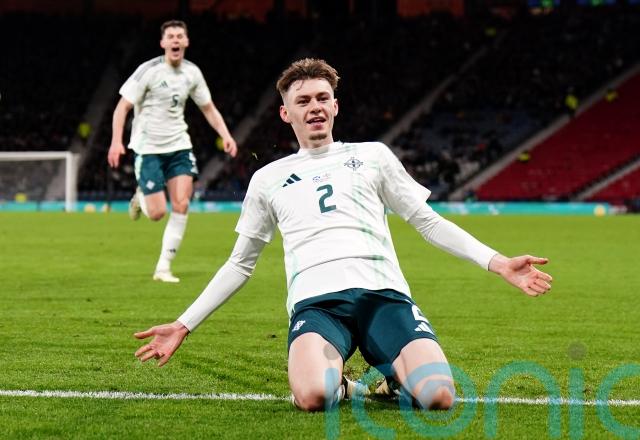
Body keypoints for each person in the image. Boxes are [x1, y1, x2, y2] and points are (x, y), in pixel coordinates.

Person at [134, 58, 553, 411]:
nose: (314, 107)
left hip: (384, 298)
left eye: (322, 98)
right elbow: (240, 264)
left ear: (335, 106)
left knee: (439, 396)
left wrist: (499, 262)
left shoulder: (373, 156)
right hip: (318, 307)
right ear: (286, 113)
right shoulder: (267, 179)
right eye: (302, 101)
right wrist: (184, 324)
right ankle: (344, 386)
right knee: (313, 396)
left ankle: (393, 382)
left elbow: (427, 222)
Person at [107, 20, 237, 283]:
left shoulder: (192, 73)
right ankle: (141, 195)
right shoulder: (148, 70)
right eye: (171, 36)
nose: (176, 40)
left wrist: (226, 135)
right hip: (149, 148)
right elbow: (122, 107)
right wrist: (116, 141)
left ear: (186, 41)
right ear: (163, 43)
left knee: (182, 203)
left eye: (180, 36)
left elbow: (208, 108)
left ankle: (163, 268)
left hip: (179, 146)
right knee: (157, 214)